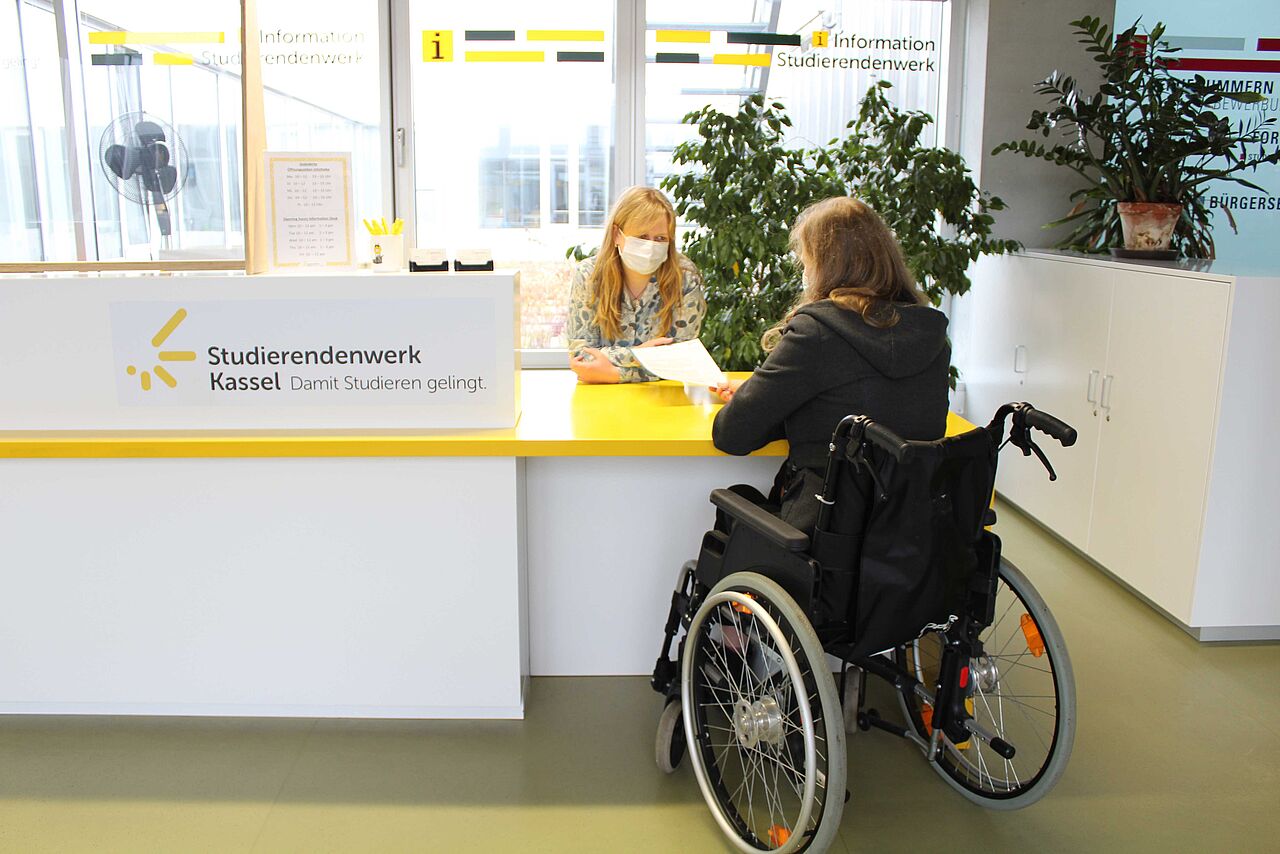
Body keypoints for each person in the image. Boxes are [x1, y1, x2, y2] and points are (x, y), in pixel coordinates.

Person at [711, 196, 951, 535]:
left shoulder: (817, 331)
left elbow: (732, 435)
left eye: (806, 262)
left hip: (827, 530)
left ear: (824, 265)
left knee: (738, 501)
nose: (805, 272)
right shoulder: (931, 334)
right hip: (909, 534)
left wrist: (760, 398)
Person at [566, 186, 706, 383]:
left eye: (660, 238)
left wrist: (616, 374)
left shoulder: (685, 278)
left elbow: (681, 361)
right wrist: (639, 354)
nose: (651, 246)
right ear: (616, 234)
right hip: (599, 395)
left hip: (662, 395)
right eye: (642, 237)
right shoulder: (589, 276)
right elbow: (582, 357)